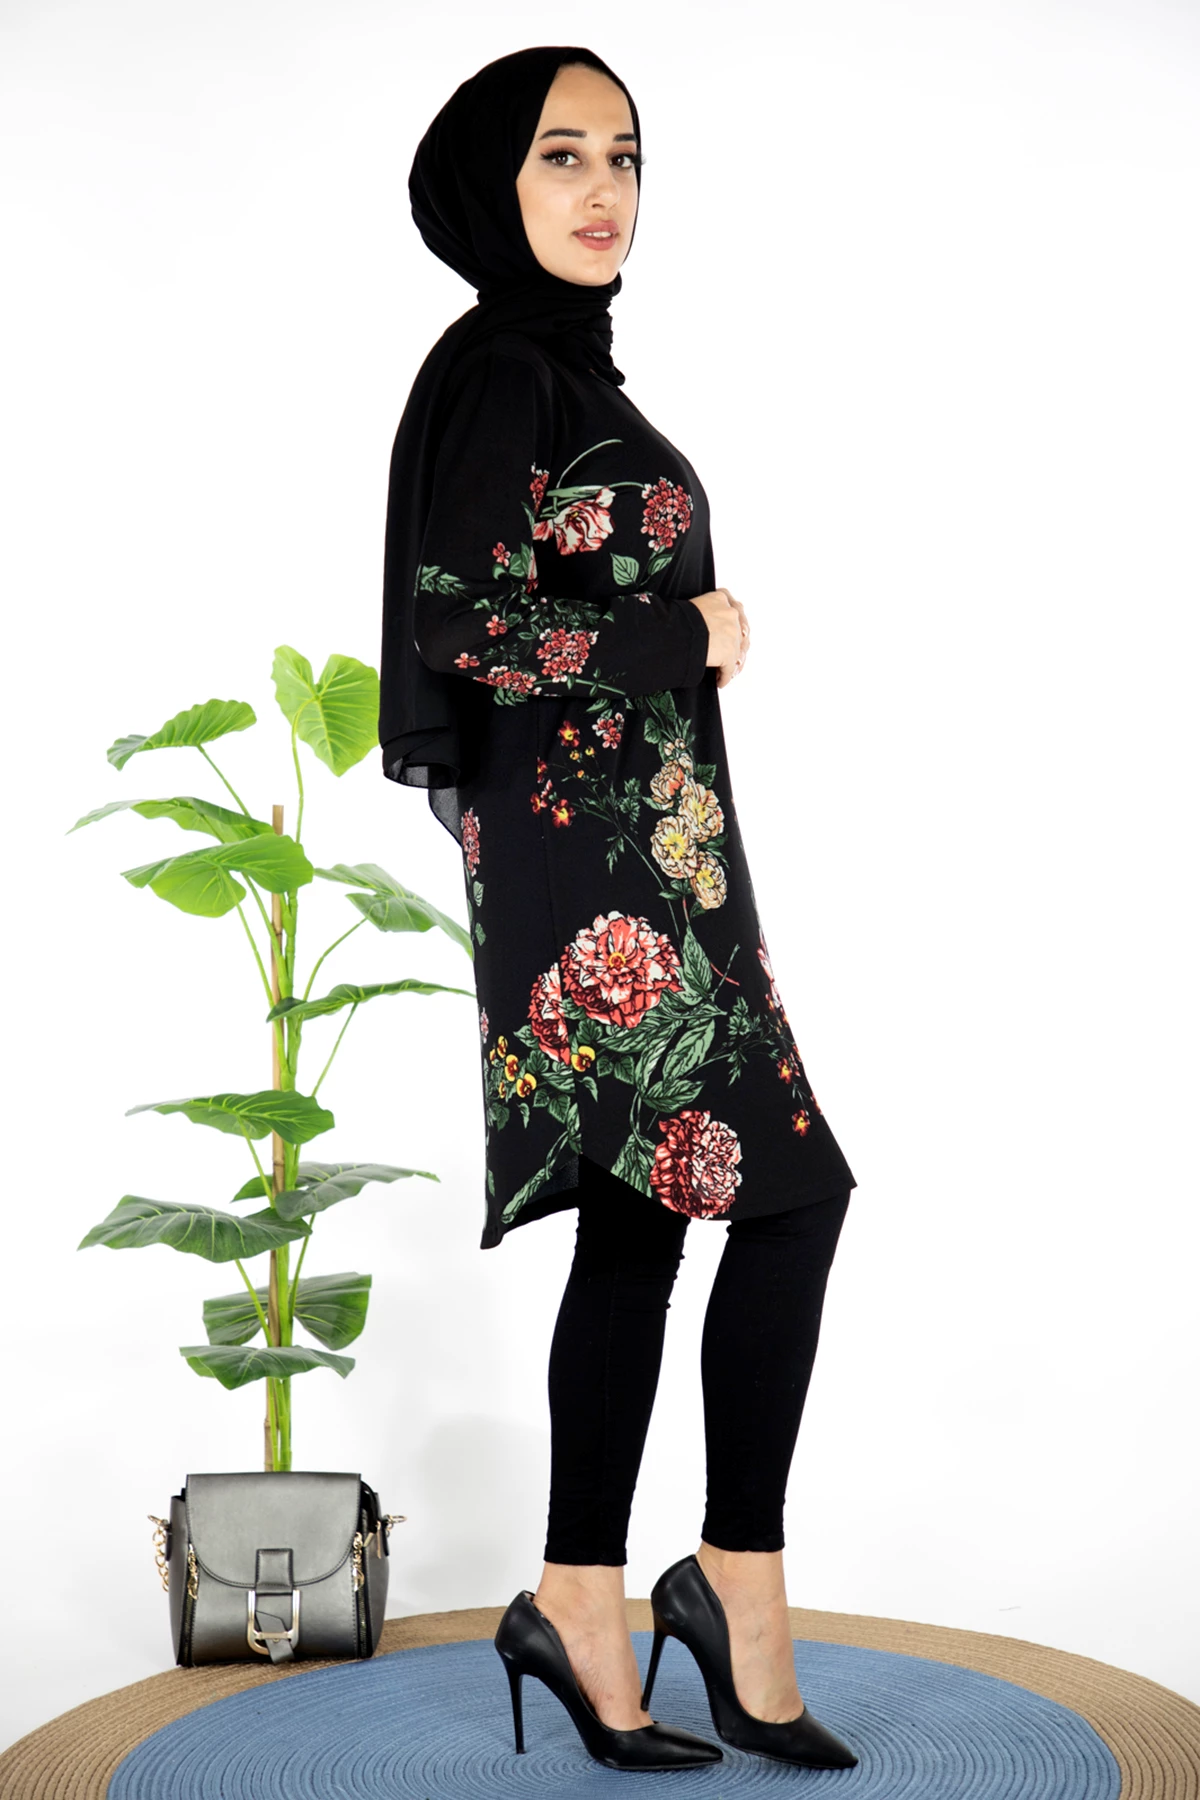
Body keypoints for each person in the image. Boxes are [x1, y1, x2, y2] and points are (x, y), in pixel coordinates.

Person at [379, 44, 860, 1774]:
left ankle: (582, 1602)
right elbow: (463, 623)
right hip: (600, 879)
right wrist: (689, 631)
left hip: (646, 852)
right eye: (561, 156)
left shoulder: (568, 372)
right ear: (489, 185)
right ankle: (731, 1584)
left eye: (626, 158)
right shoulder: (507, 372)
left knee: (649, 1225)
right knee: (794, 1197)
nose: (603, 192)